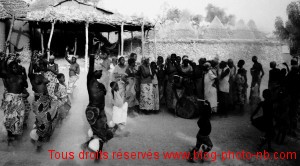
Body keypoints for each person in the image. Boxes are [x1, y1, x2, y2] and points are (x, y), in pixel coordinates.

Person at [82, 54, 117, 161]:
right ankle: (98, 154)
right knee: (101, 132)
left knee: (102, 130)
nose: (101, 72)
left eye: (101, 71)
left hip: (101, 110)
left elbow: (105, 93)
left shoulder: (99, 84)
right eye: (99, 71)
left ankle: (89, 144)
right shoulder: (90, 80)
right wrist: (92, 56)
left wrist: (104, 88)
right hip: (93, 110)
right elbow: (91, 67)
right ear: (93, 72)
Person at [28, 57, 59, 150]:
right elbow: (46, 80)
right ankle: (39, 143)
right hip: (40, 102)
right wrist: (33, 63)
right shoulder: (37, 76)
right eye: (38, 65)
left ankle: (39, 139)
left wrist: (34, 63)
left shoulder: (37, 75)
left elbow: (50, 72)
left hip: (43, 100)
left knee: (44, 120)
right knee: (44, 121)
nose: (40, 67)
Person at [0, 56, 28, 144]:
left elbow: (26, 85)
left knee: (19, 119)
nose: (15, 69)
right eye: (13, 67)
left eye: (16, 67)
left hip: (19, 99)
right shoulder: (7, 76)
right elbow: (1, 70)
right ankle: (9, 137)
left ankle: (15, 138)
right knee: (8, 119)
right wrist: (5, 59)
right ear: (10, 68)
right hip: (9, 99)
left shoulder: (21, 77)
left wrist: (24, 73)